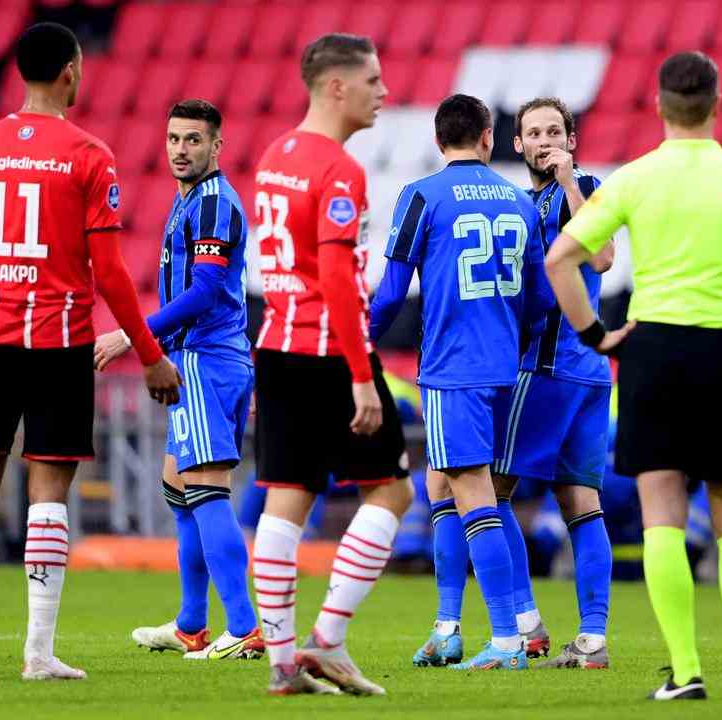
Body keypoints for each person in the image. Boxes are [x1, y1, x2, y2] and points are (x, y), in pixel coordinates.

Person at [544, 51, 722, 700]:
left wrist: (596, 335)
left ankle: (684, 674)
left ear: (659, 105)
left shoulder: (635, 179)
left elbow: (564, 257)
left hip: (653, 352)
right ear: (717, 102)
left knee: (662, 518)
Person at [0, 22, 181, 681]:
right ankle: (38, 655)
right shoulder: (88, 154)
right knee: (49, 490)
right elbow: (108, 272)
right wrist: (149, 353)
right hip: (58, 338)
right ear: (71, 72)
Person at [410, 97, 615, 670]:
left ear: (571, 140)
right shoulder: (520, 205)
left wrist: (572, 181)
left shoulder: (586, 187)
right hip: (587, 372)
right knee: (579, 501)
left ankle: (521, 626)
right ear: (515, 145)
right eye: (534, 133)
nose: (546, 140)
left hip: (547, 369)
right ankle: (590, 641)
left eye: (557, 131)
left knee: (476, 489)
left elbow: (601, 257)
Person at [247, 33, 410, 697]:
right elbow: (340, 280)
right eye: (373, 80)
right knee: (393, 491)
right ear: (337, 86)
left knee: (284, 506)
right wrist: (363, 376)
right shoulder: (339, 170)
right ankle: (328, 639)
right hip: (326, 352)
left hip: (277, 343)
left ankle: (284, 663)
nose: (384, 92)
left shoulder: (275, 154)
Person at [370, 93, 549, 671]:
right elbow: (542, 299)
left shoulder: (422, 196)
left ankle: (505, 640)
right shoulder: (520, 202)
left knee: (473, 495)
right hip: (506, 369)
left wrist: (356, 339)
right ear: (488, 136)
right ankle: (448, 628)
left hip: (452, 369)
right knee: (442, 487)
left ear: (438, 138)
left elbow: (394, 292)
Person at [94, 100, 263, 664]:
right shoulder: (189, 198)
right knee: (180, 489)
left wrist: (132, 336)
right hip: (210, 358)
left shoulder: (213, 202)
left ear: (218, 146)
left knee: (207, 488)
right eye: (173, 139)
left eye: (194, 140)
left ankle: (243, 627)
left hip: (208, 362)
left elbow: (208, 290)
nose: (181, 150)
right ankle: (192, 623)